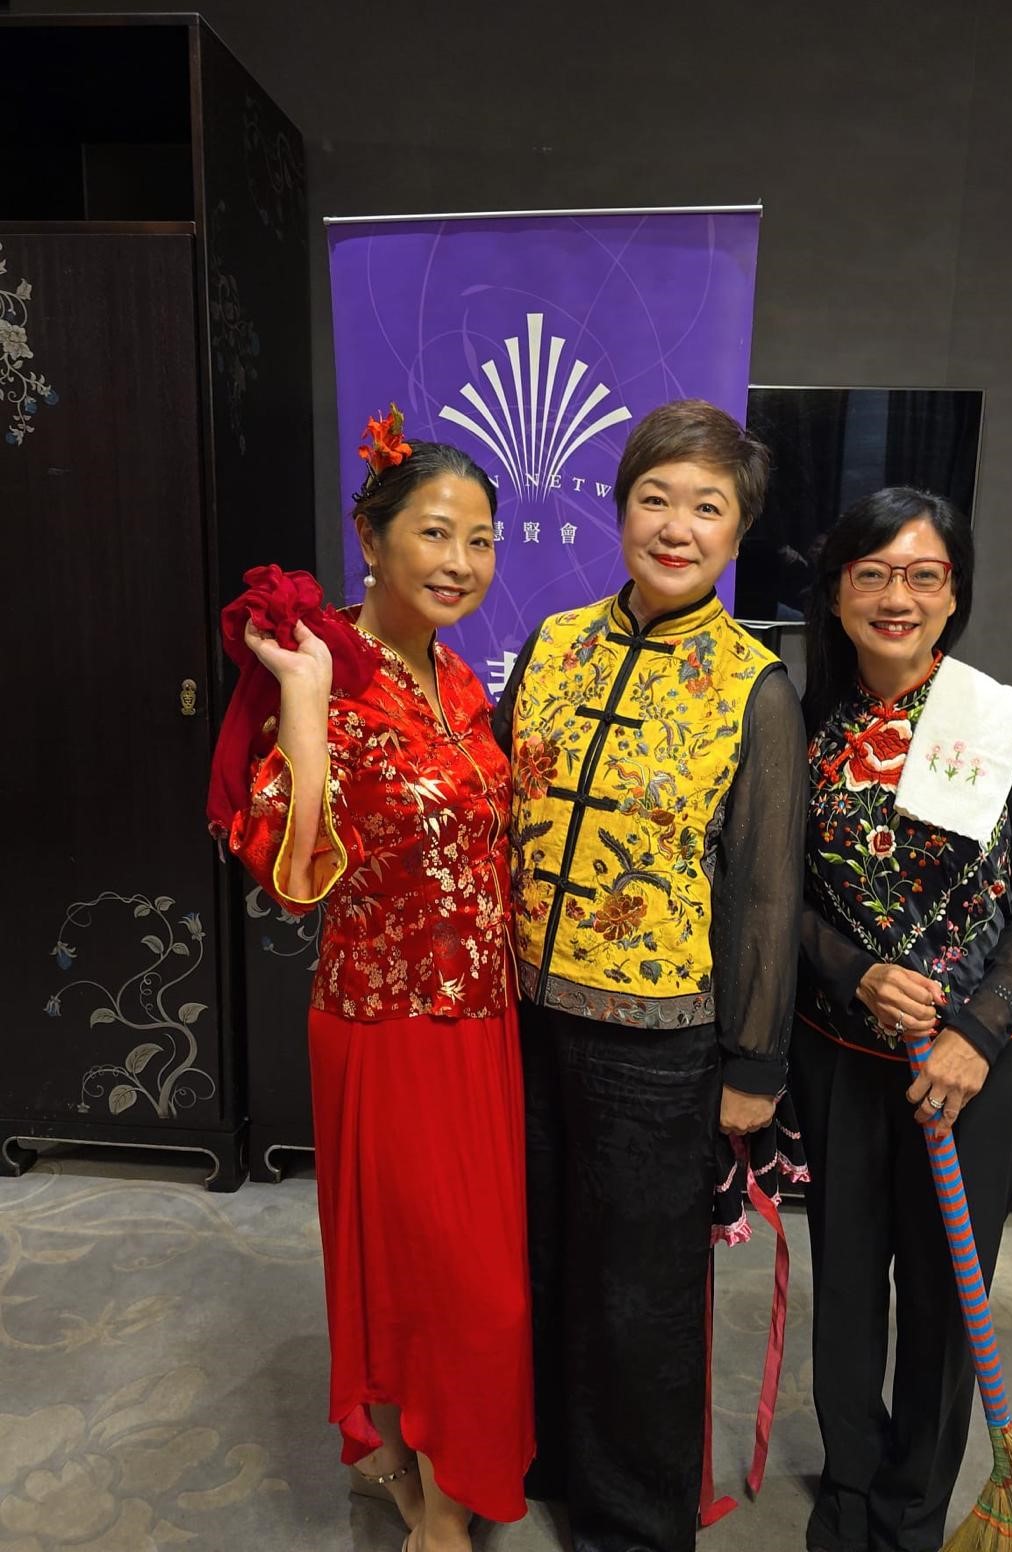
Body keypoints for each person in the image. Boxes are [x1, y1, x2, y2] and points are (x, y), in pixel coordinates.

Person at [492, 398, 808, 1552]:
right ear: (620, 507)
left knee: (638, 1292)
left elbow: (765, 892)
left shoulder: (753, 686)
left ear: (737, 531)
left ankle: (632, 1521)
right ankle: (545, 1458)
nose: (677, 526)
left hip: (659, 1042)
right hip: (522, 1017)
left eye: (706, 507)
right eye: (656, 498)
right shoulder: (554, 643)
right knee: (539, 1257)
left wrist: (754, 1064)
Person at [220, 407, 533, 1552]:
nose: (461, 561)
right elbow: (294, 875)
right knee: (449, 1279)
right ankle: (437, 1507)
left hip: (484, 1023)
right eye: (436, 533)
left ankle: (407, 1456)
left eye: (481, 539)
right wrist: (304, 705)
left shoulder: (456, 680)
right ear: (371, 536)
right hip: (387, 1024)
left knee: (461, 1275)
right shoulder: (326, 673)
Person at [792, 486, 1012, 1552]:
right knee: (847, 1290)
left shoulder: (1008, 724)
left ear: (954, 595)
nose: (896, 597)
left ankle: (911, 1514)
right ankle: (849, 1493)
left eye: (923, 575)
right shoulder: (805, 724)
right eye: (871, 574)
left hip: (969, 1071)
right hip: (841, 1057)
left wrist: (977, 1031)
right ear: (838, 593)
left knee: (947, 1305)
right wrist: (855, 971)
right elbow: (778, 899)